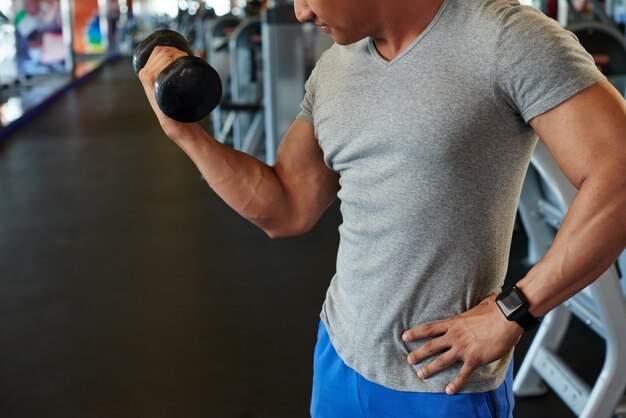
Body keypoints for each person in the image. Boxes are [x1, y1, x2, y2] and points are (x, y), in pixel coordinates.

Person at [138, 0, 626, 416]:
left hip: (444, 382)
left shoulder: (505, 37)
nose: (300, 12)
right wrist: (185, 134)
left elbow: (618, 175)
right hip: (339, 354)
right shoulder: (333, 68)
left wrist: (514, 309)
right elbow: (286, 206)